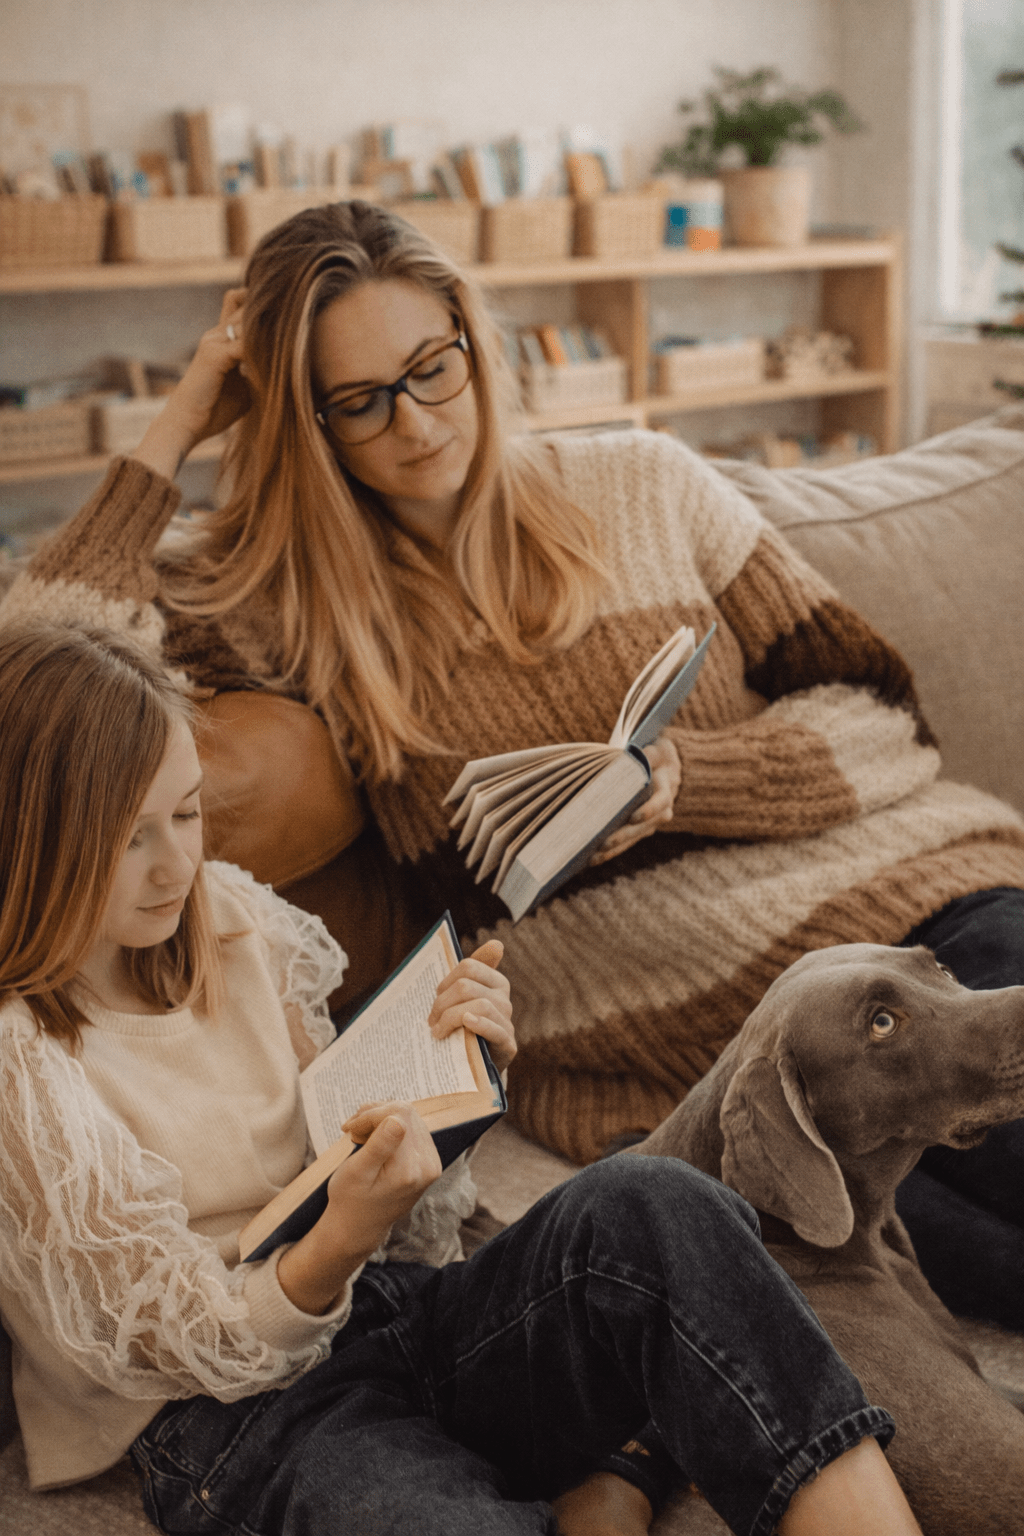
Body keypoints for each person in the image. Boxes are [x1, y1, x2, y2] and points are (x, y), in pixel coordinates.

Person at [1, 200, 1022, 1326]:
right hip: (680, 1019)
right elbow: (35, 686)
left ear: (470, 336)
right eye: (358, 400)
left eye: (430, 368)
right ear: (312, 424)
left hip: (923, 908)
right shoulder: (280, 607)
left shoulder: (645, 481)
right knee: (967, 1253)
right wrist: (182, 417)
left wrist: (688, 780)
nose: (414, 421)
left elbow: (881, 712)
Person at [0, 619, 922, 1536]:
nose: (177, 866)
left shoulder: (233, 919)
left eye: (190, 814)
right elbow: (162, 1343)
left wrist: (450, 1081)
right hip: (235, 1415)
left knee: (653, 1200)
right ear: (29, 843)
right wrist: (344, 1235)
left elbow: (343, 1144)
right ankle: (607, 1476)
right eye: (130, 840)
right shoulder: (21, 1060)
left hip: (396, 1305)